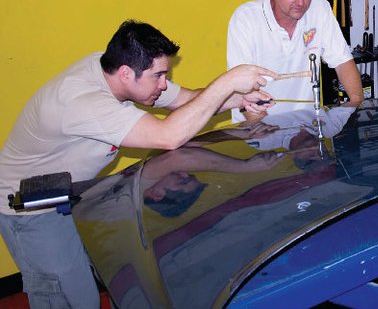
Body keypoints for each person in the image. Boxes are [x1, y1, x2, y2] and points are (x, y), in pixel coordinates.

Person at [0, 20, 278, 309]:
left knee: (114, 273)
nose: (164, 85)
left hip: (70, 191)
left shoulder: (113, 68)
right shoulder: (84, 102)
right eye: (158, 76)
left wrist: (238, 99)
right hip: (32, 209)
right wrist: (228, 81)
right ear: (126, 74)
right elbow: (169, 135)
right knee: (74, 299)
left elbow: (187, 102)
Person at [227, 0, 363, 123]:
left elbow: (343, 61)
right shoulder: (245, 19)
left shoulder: (319, 6)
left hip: (307, 131)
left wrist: (355, 107)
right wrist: (272, 136)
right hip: (258, 132)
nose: (301, 2)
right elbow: (241, 90)